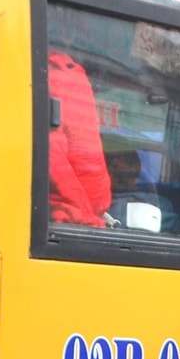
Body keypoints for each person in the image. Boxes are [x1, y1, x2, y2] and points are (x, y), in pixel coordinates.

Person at [47, 49, 112, 227]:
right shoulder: (63, 77)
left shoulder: (60, 73)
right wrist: (83, 217)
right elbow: (52, 154)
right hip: (69, 220)